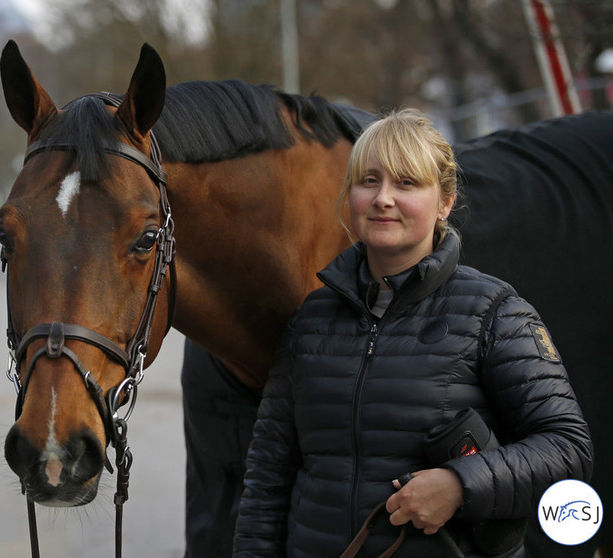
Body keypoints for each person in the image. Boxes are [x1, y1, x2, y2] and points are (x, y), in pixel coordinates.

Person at [232, 108, 593, 558]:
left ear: (444, 201)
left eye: (405, 183)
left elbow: (566, 447)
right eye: (369, 181)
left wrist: (461, 484)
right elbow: (268, 477)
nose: (383, 198)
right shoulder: (311, 319)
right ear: (350, 196)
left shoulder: (496, 312)